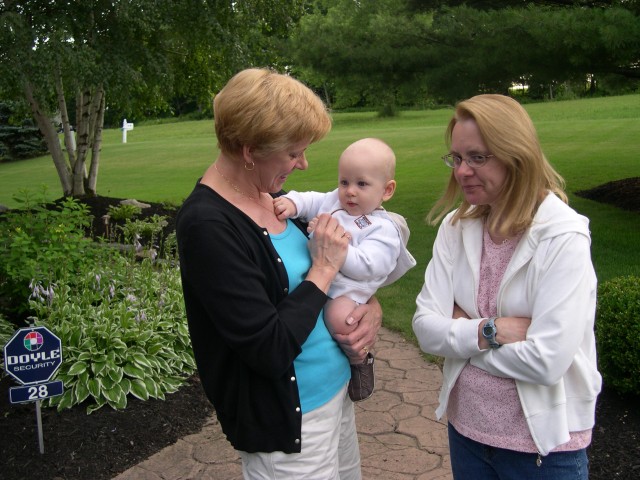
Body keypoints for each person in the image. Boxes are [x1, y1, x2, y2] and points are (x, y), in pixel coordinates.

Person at [176, 68, 382, 480]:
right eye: (293, 153)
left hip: (334, 396)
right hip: (290, 424)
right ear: (250, 150)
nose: (303, 165)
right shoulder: (207, 225)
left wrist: (369, 306)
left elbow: (329, 274)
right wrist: (324, 269)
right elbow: (267, 347)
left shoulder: (270, 196)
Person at [412, 94, 601, 479]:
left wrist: (462, 337)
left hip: (542, 448)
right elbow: (424, 329)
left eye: (478, 157)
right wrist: (491, 330)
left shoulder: (562, 238)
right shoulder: (456, 228)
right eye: (457, 158)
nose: (462, 171)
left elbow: (547, 361)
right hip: (466, 431)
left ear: (516, 156)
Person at [274, 137, 416, 402]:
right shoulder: (336, 202)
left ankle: (358, 360)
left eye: (362, 184)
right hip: (324, 280)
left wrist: (334, 246)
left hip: (349, 291)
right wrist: (293, 204)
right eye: (344, 182)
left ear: (387, 190)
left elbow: (369, 266)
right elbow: (312, 200)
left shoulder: (383, 229)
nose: (350, 191)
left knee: (341, 318)